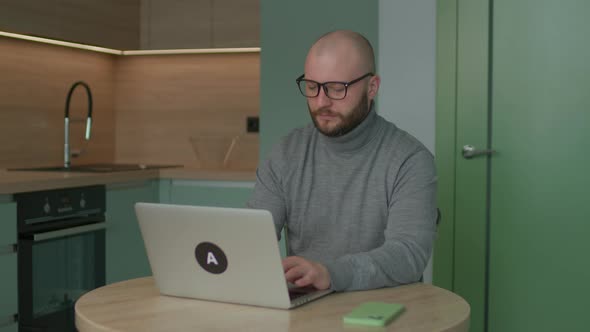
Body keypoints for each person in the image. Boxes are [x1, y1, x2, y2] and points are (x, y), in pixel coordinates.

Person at [247, 30, 437, 292]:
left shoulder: (410, 160)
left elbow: (408, 255)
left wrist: (331, 274)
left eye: (337, 89)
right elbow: (252, 236)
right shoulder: (285, 154)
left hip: (383, 312)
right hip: (307, 309)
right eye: (312, 87)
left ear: (372, 87)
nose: (321, 102)